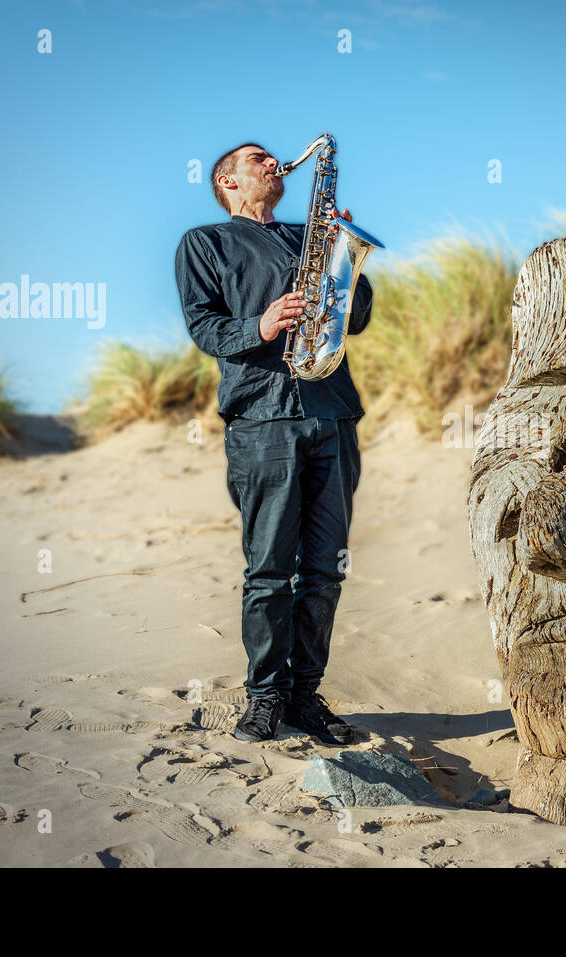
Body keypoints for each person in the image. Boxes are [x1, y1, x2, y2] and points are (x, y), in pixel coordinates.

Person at [174, 141, 372, 745]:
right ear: (226, 182)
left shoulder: (306, 235)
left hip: (332, 414)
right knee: (268, 570)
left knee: (324, 571)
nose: (273, 162)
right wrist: (259, 326)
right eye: (256, 158)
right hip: (261, 418)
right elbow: (204, 326)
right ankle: (264, 697)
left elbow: (355, 317)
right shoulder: (204, 242)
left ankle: (306, 697)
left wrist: (342, 253)